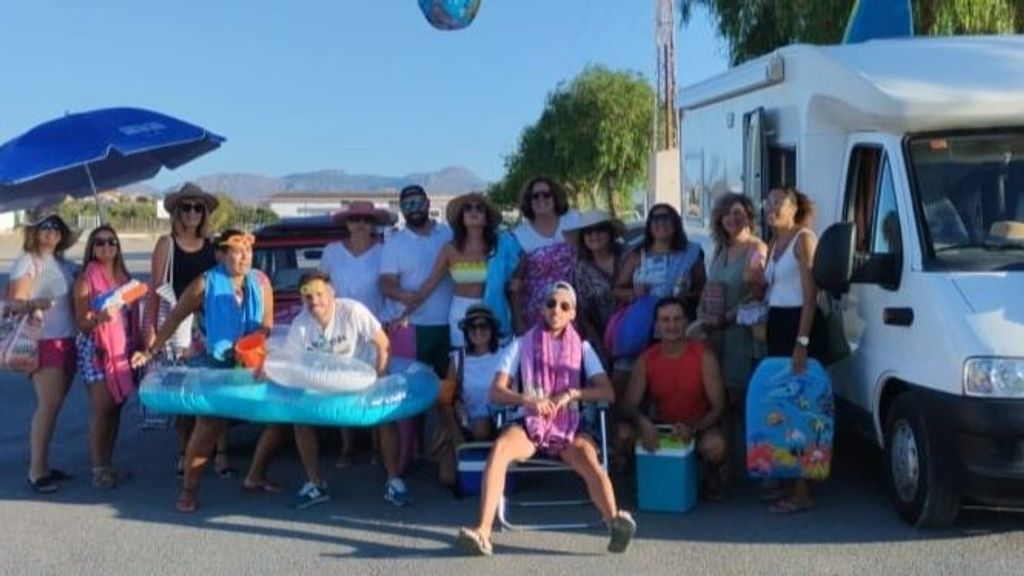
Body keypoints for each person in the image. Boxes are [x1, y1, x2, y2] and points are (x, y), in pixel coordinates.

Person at [455, 282, 636, 556]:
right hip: (529, 422)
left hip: (569, 425)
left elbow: (607, 393)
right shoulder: (521, 344)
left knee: (587, 455)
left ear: (573, 313)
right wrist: (529, 401)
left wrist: (572, 394)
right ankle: (483, 532)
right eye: (551, 303)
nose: (556, 310)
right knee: (500, 449)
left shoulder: (583, 349)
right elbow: (496, 391)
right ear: (542, 308)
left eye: (564, 306)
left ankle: (614, 523)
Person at [132, 229, 283, 513]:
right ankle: (188, 490)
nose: (244, 257)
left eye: (248, 251)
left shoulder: (261, 282)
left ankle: (255, 476)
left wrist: (254, 344)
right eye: (236, 251)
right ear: (221, 254)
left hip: (251, 364)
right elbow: (176, 317)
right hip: (212, 366)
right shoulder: (205, 283)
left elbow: (267, 323)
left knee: (276, 422)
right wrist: (150, 351)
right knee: (207, 428)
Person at [143, 183, 231, 479]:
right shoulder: (166, 244)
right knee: (183, 392)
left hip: (209, 326)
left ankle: (221, 454)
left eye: (198, 207)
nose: (192, 212)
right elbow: (155, 290)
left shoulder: (212, 245)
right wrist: (150, 334)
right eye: (186, 207)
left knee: (215, 388)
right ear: (177, 212)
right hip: (176, 325)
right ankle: (184, 453)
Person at [284, 271, 390, 508]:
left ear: (332, 292)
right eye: (308, 297)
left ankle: (394, 480)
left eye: (319, 294)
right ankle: (315, 483)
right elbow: (290, 361)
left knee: (386, 416)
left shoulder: (353, 311)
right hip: (325, 384)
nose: (314, 302)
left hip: (361, 380)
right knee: (299, 420)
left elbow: (383, 344)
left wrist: (380, 382)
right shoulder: (300, 324)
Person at [378, 184, 453, 505]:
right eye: (406, 203)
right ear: (402, 209)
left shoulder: (447, 235)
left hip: (451, 325)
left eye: (417, 201)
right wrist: (407, 298)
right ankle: (408, 458)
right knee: (411, 398)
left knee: (449, 395)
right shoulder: (395, 243)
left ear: (427, 203)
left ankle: (449, 453)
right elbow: (386, 282)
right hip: (413, 329)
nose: (413, 207)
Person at [757, 186, 827, 514]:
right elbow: (773, 289)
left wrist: (802, 342)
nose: (772, 208)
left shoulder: (804, 240)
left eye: (779, 203)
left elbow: (810, 297)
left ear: (794, 208)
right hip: (778, 324)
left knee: (801, 405)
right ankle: (788, 478)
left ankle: (803, 490)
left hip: (798, 327)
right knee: (780, 404)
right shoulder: (774, 243)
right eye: (769, 202)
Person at [618, 297, 729, 500]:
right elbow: (629, 404)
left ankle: (712, 477)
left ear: (686, 322)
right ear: (657, 325)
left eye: (677, 319)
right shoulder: (647, 359)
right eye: (665, 320)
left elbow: (718, 406)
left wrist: (694, 429)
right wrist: (643, 422)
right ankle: (641, 472)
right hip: (659, 429)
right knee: (624, 434)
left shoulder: (703, 356)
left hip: (697, 427)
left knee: (716, 445)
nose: (671, 325)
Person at [319, 201, 396, 468]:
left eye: (366, 219)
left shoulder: (385, 252)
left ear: (374, 224)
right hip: (340, 329)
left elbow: (391, 286)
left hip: (375, 329)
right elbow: (320, 286)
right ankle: (347, 447)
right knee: (343, 386)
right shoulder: (332, 252)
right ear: (347, 224)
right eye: (355, 219)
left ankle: (377, 447)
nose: (360, 224)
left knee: (376, 386)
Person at [9, 207, 80, 494]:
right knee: (48, 405)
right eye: (45, 226)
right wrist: (33, 304)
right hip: (43, 341)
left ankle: (44, 464)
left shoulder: (64, 264)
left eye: (57, 227)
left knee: (55, 406)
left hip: (68, 340)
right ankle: (36, 470)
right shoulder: (28, 262)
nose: (51, 231)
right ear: (34, 231)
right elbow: (15, 301)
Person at [72, 225, 142, 490]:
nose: (107, 246)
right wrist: (101, 317)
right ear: (92, 247)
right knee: (102, 410)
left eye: (112, 241)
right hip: (98, 350)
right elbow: (81, 322)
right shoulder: (85, 281)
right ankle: (98, 468)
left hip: (124, 348)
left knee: (116, 407)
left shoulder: (126, 278)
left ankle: (107, 463)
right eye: (100, 242)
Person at [410, 192, 521, 346]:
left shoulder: (501, 244)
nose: (473, 212)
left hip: (494, 310)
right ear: (461, 216)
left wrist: (517, 279)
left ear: (486, 217)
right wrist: (406, 313)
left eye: (479, 208)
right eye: (467, 208)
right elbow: (430, 284)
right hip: (461, 312)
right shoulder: (450, 249)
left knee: (495, 362)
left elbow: (522, 259)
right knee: (463, 363)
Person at [700, 193, 767, 398]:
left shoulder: (757, 248)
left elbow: (758, 292)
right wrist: (702, 312)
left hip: (743, 335)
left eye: (737, 213)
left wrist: (727, 317)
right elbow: (709, 285)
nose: (732, 218)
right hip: (717, 333)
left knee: (741, 395)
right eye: (726, 214)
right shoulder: (721, 249)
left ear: (749, 216)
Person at [435, 304, 507, 486]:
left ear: (492, 329)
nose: (478, 331)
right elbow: (444, 401)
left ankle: (490, 464)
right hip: (464, 423)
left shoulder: (504, 355)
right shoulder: (458, 359)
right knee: (447, 478)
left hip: (496, 422)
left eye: (483, 326)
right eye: (472, 327)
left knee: (482, 427)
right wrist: (454, 431)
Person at [510, 177, 579, 334]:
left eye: (546, 194)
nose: (541, 199)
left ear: (555, 197)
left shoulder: (573, 220)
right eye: (535, 196)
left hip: (573, 310)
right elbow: (516, 283)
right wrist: (518, 321)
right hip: (537, 314)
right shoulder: (521, 235)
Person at [563, 210, 626, 366]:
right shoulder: (580, 270)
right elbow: (583, 315)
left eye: (600, 229)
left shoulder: (628, 256)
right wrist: (600, 348)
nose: (594, 235)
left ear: (610, 233)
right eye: (588, 232)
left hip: (638, 333)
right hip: (603, 341)